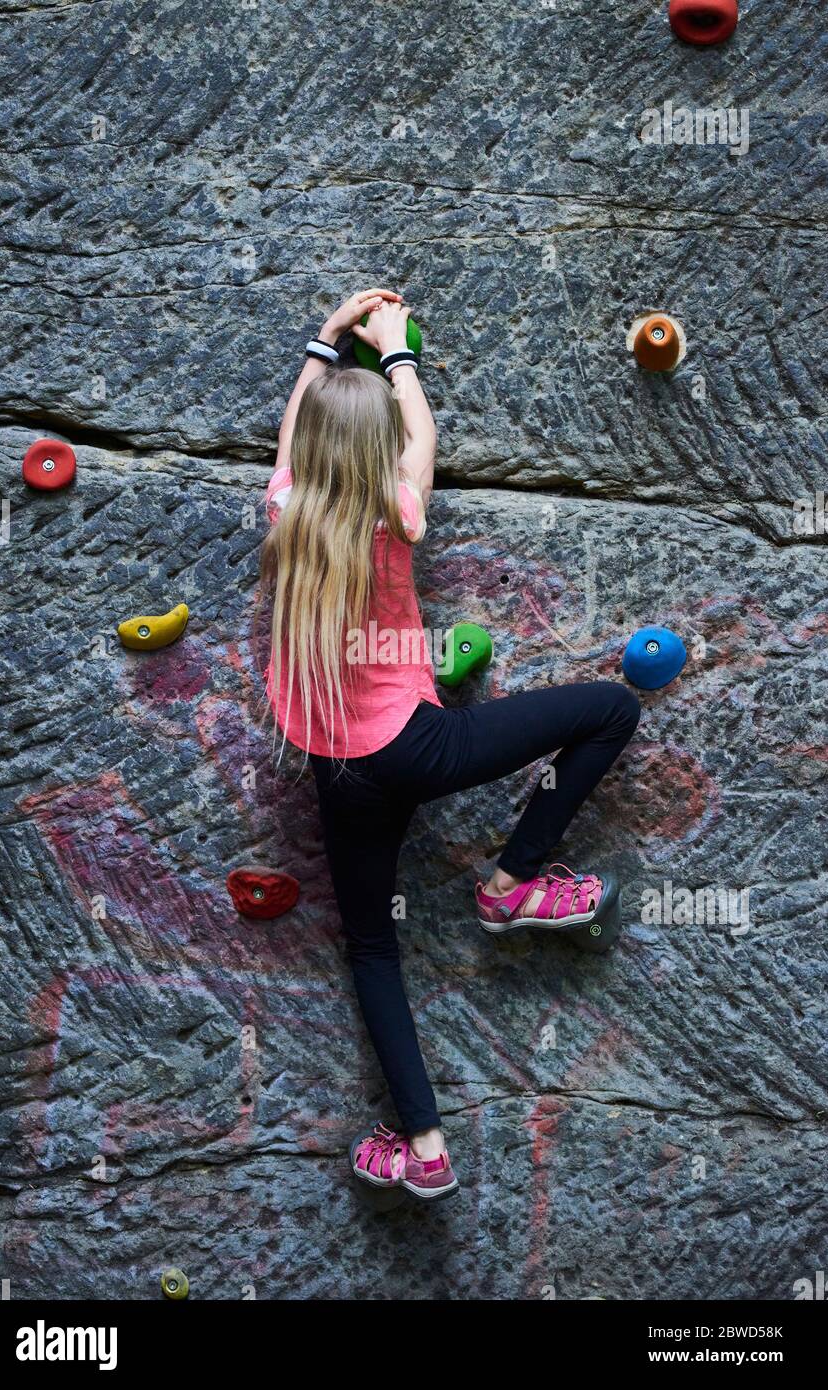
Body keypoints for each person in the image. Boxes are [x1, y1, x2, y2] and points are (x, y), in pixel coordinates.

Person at [260, 288, 641, 1202]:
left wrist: (324, 341)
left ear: (312, 454)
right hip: (418, 748)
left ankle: (421, 1146)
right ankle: (511, 886)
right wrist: (395, 353)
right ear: (378, 455)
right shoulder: (398, 513)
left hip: (338, 767)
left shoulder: (284, 510)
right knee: (610, 710)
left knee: (369, 947)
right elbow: (419, 436)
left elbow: (285, 447)